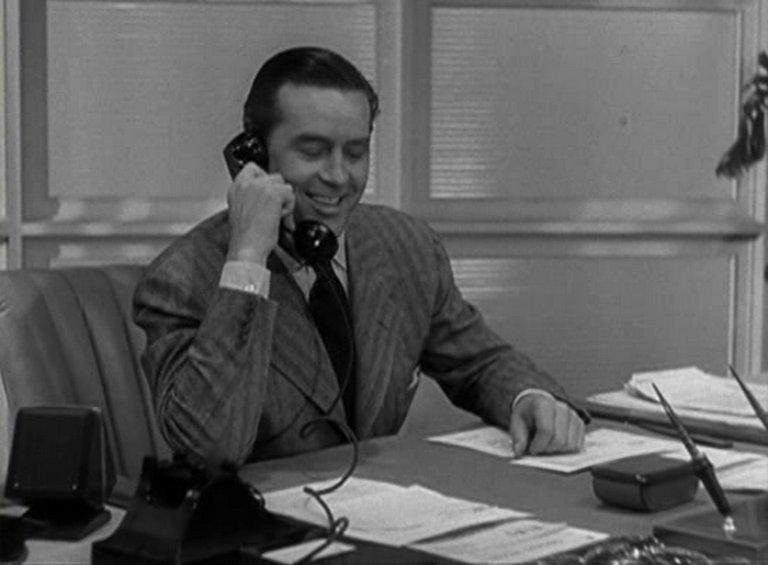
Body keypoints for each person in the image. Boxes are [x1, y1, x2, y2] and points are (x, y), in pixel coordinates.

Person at [133, 46, 589, 468]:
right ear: (255, 155)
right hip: (253, 522)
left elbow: (479, 363)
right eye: (312, 151)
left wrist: (529, 398)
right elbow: (211, 447)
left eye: (355, 153)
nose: (338, 176)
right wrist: (249, 257)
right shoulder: (181, 278)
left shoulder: (406, 247)